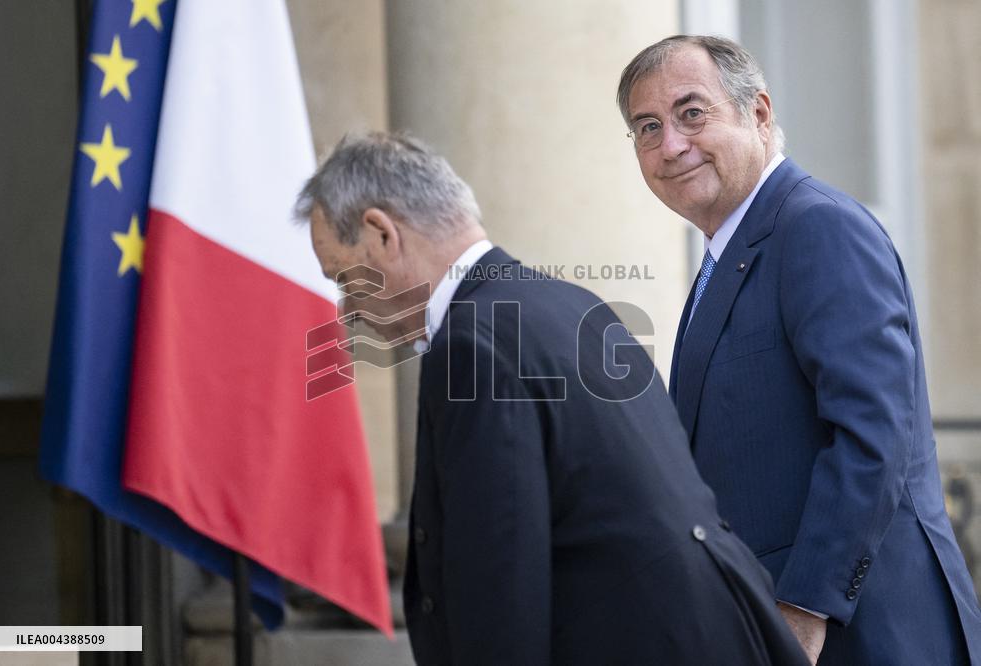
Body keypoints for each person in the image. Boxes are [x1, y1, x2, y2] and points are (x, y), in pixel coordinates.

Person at [295, 132, 807, 665]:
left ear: (381, 234)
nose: (348, 310)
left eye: (344, 279)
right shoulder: (573, 305)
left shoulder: (472, 343)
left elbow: (497, 579)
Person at [617, 34, 981, 665]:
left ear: (758, 114)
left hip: (863, 634)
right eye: (647, 127)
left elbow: (872, 436)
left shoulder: (817, 227)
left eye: (691, 114)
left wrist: (804, 611)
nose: (671, 145)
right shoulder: (729, 254)